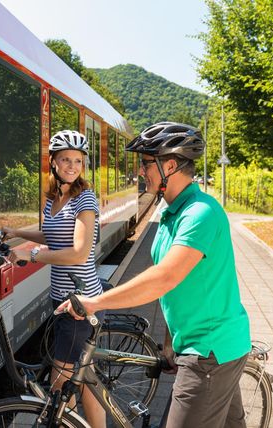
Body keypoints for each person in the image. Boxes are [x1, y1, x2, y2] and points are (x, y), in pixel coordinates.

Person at [58, 122, 252, 428]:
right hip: (197, 343)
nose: (140, 172)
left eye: (146, 164)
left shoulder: (200, 213)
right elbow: (171, 288)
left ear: (170, 165)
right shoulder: (171, 213)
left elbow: (164, 278)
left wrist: (95, 302)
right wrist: (168, 341)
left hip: (209, 351)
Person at [4, 130, 106, 428]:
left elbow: (77, 253)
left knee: (61, 385)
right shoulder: (55, 197)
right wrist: (18, 234)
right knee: (84, 379)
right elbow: (52, 235)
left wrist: (32, 256)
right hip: (61, 299)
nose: (72, 166)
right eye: (66, 159)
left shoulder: (85, 199)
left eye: (78, 160)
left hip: (80, 303)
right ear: (54, 163)